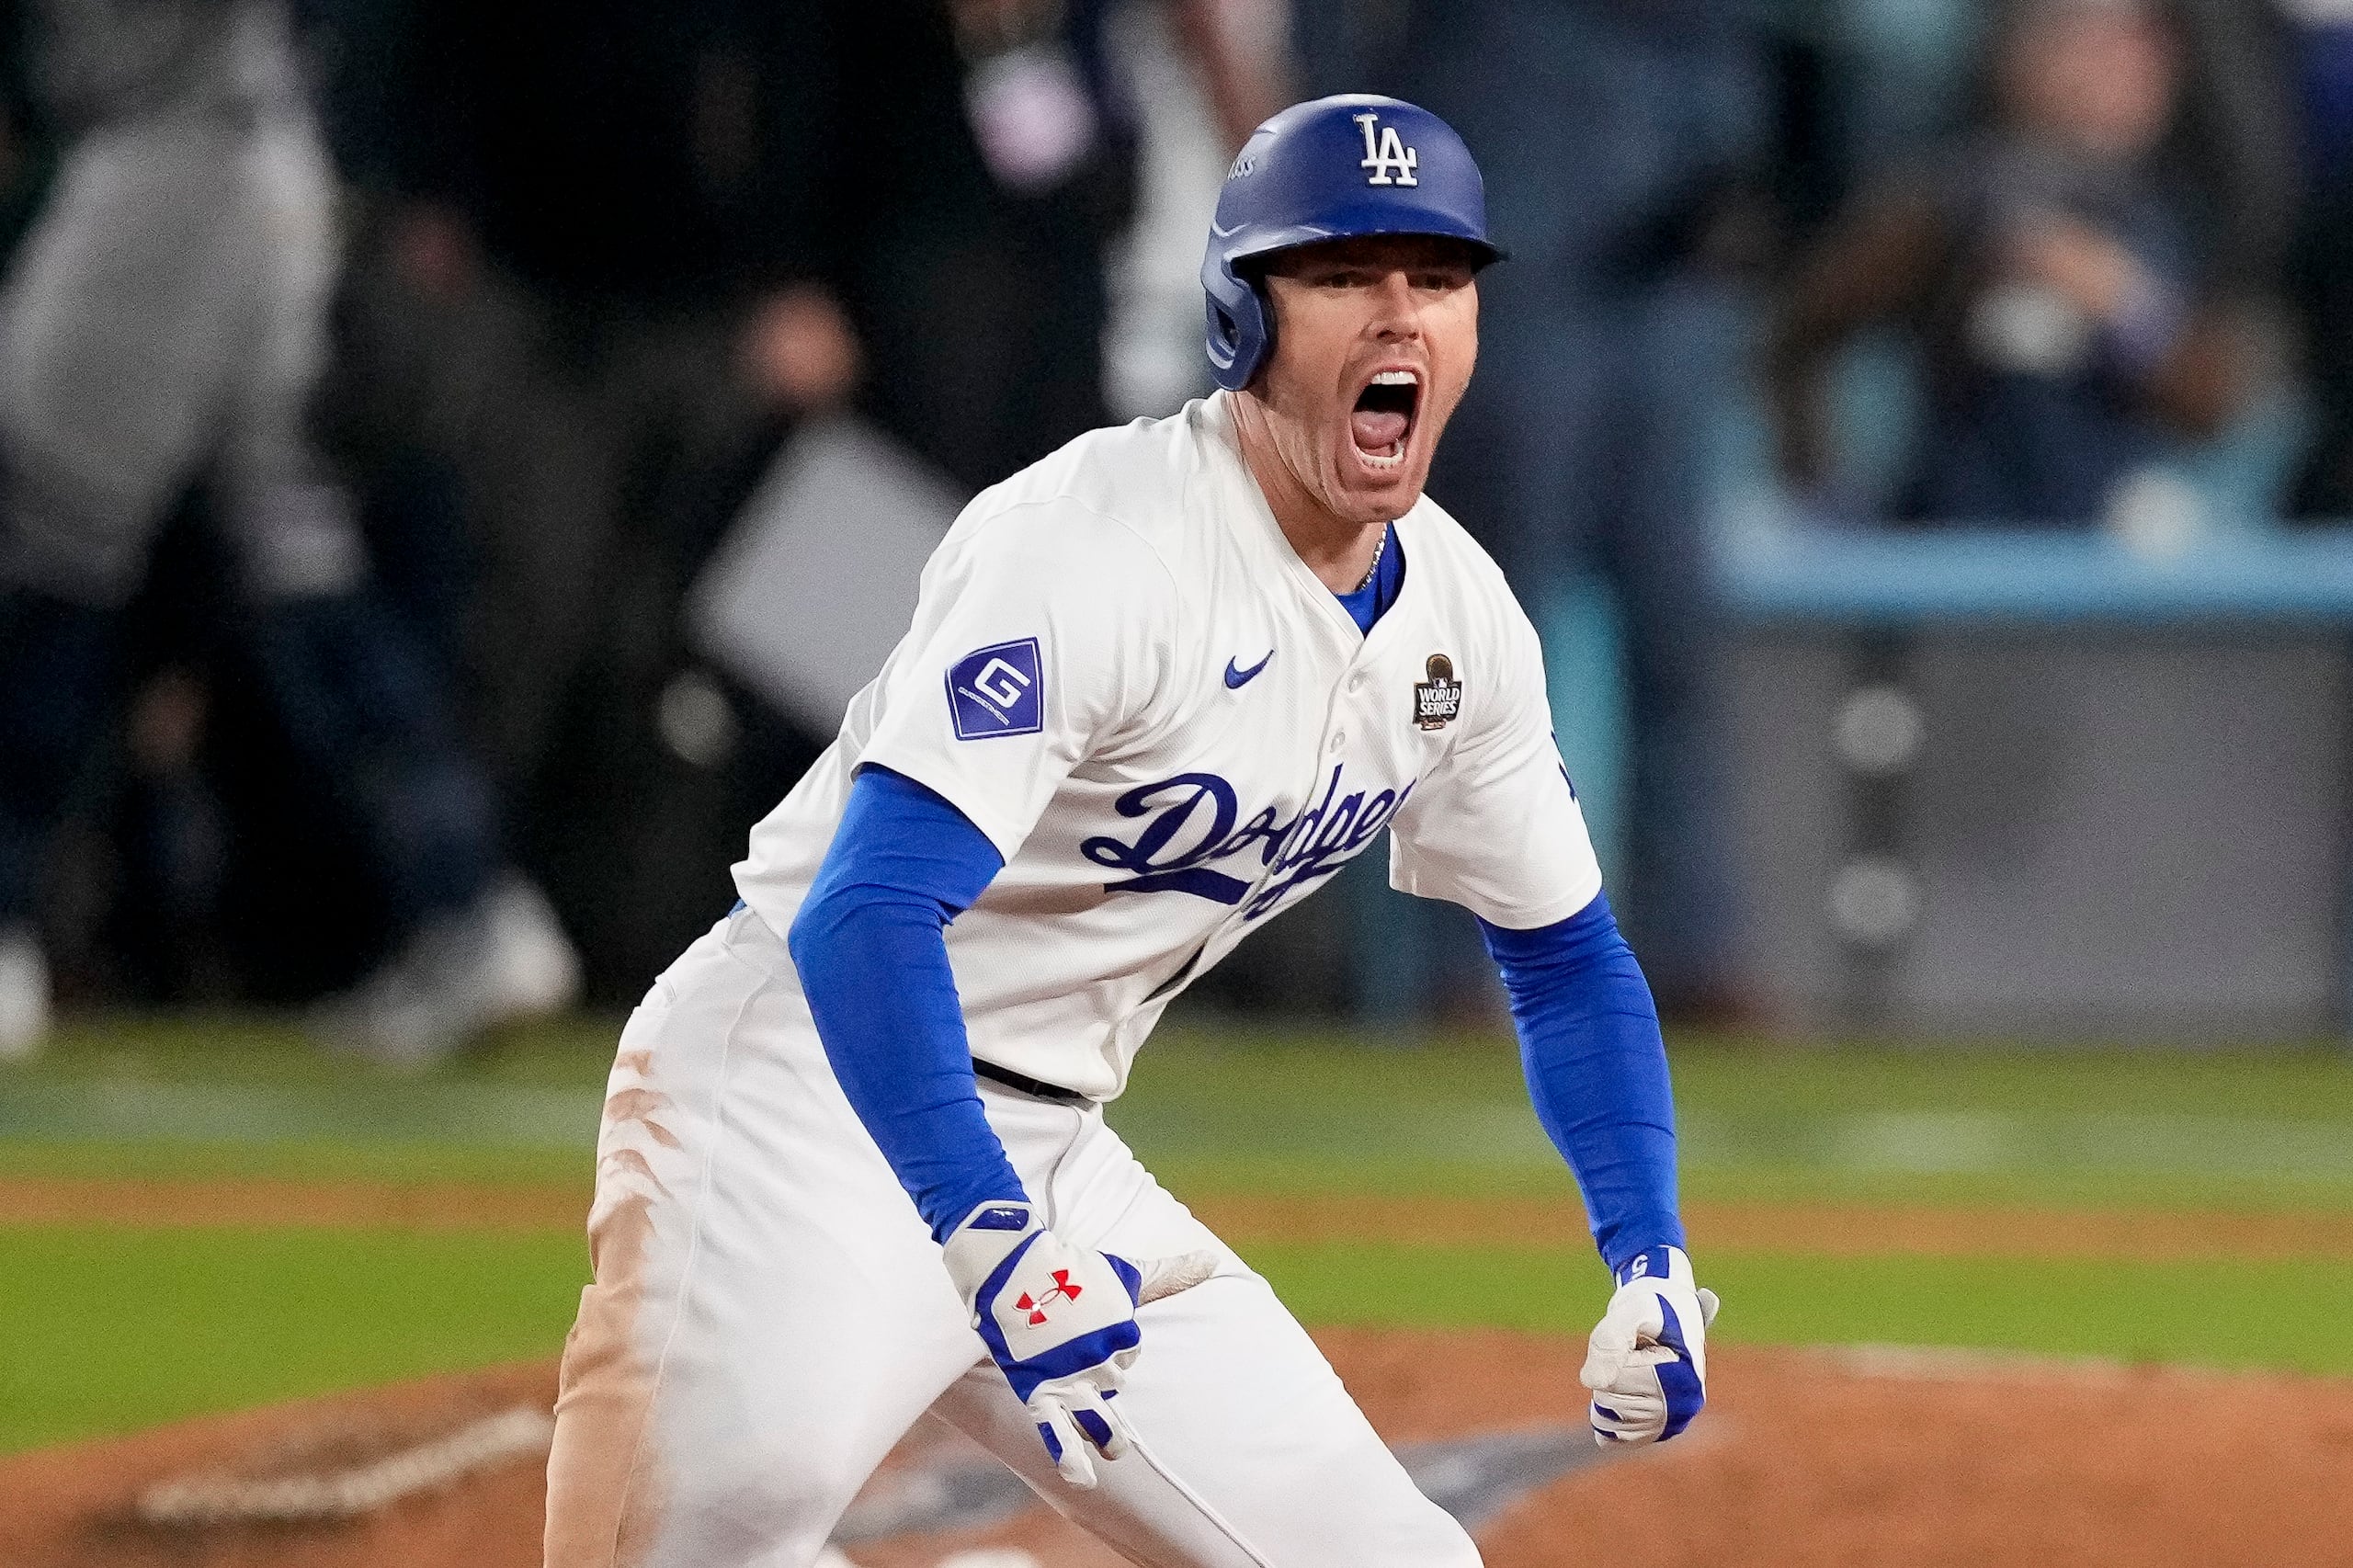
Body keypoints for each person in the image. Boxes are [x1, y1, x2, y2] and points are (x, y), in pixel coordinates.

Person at [543, 96, 1716, 1568]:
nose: (1401, 316)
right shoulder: (1100, 543)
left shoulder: (1460, 620)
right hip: (803, 1089)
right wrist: (987, 1240)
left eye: (1440, 277)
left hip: (1047, 1144)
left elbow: (1563, 960)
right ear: (1243, 318)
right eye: (1345, 276)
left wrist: (1650, 1253)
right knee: (681, 1549)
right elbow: (867, 913)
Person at [0, 0, 573, 1062]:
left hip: (166, 165)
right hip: (257, 164)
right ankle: (469, 903)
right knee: (292, 554)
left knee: (52, 545)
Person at [1767, 0, 2264, 526]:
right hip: (1958, 551)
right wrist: (1823, 492)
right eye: (2101, 41)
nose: (2133, 65)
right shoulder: (1947, 203)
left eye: (2150, 44)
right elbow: (1795, 342)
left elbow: (2216, 405)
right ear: (2023, 56)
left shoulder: (2184, 211)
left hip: (2110, 554)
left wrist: (2126, 306)